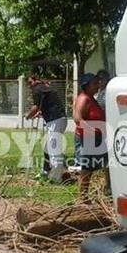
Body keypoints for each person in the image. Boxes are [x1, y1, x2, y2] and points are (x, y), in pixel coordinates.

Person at [73, 73, 108, 201]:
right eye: (94, 83)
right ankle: (82, 197)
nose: (98, 85)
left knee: (105, 164)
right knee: (87, 168)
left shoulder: (91, 98)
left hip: (97, 138)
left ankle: (107, 190)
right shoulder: (84, 99)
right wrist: (91, 130)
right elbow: (77, 118)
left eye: (98, 82)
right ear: (87, 85)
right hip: (88, 139)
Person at [26, 75, 67, 182]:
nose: (30, 86)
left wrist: (28, 115)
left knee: (53, 149)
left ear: (34, 81)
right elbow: (48, 104)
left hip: (55, 121)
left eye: (30, 83)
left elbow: (35, 107)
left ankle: (56, 178)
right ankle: (47, 171)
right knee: (47, 147)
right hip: (59, 119)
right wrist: (40, 113)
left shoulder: (37, 89)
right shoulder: (45, 87)